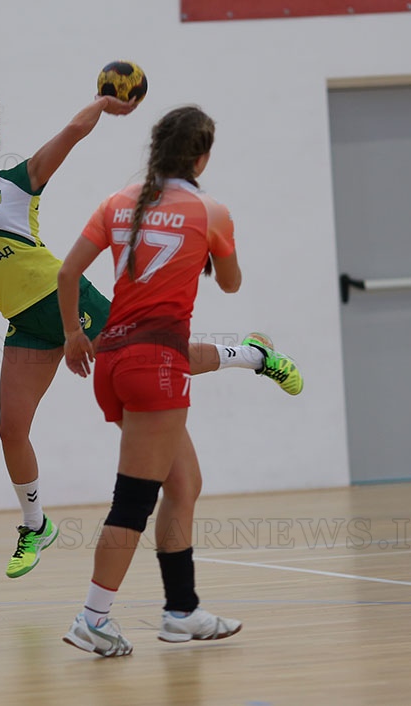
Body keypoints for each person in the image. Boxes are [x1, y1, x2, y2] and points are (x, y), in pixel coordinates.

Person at [0, 92, 301, 581]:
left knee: (168, 357)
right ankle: (36, 525)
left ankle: (254, 355)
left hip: (68, 303)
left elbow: (72, 133)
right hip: (25, 323)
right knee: (10, 430)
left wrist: (102, 104)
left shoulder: (18, 181)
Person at [57, 105, 302, 656]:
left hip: (113, 358)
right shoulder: (209, 211)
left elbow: (67, 272)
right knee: (132, 503)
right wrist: (213, 250)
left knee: (184, 484)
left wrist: (73, 333)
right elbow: (232, 284)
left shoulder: (117, 202)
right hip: (156, 366)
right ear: (201, 157)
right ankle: (93, 619)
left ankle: (182, 612)